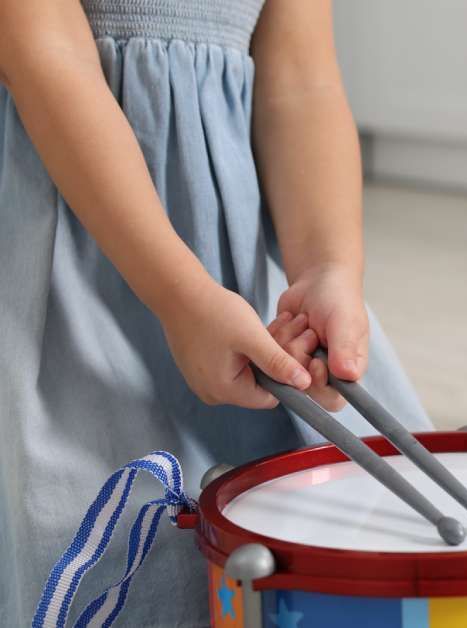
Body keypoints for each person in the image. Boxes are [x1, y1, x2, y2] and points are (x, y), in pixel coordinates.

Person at [0, 1, 430, 625]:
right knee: (94, 531)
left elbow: (303, 79)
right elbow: (40, 51)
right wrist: (180, 298)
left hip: (240, 268)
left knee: (364, 524)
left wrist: (328, 269)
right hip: (64, 249)